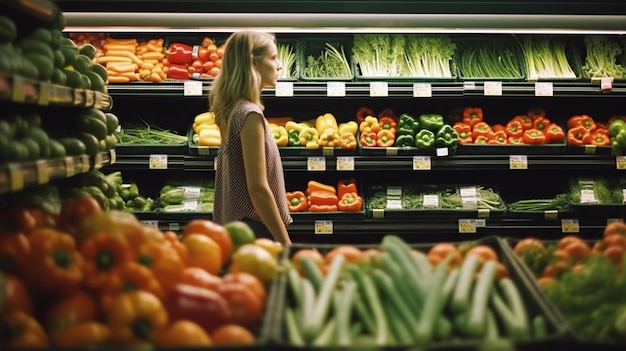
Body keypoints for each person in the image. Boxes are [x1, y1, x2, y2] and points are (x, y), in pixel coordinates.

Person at [209, 31, 292, 246]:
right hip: (253, 229)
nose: (279, 65)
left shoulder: (232, 109)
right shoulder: (250, 115)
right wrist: (285, 242)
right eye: (273, 58)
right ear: (253, 64)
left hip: (236, 227)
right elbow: (257, 188)